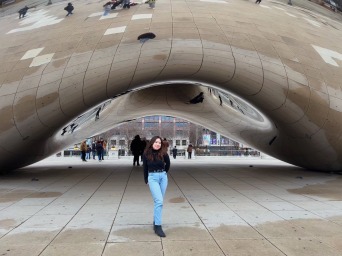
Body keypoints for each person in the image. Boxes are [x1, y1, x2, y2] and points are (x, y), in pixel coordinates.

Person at [143, 136, 170, 237]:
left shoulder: (163, 153)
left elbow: (168, 164)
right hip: (152, 178)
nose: (158, 144)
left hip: (163, 177)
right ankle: (158, 226)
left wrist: (164, 173)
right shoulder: (146, 154)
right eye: (156, 142)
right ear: (152, 143)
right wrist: (146, 179)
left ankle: (155, 221)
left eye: (159, 142)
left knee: (158, 201)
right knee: (159, 201)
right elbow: (145, 167)